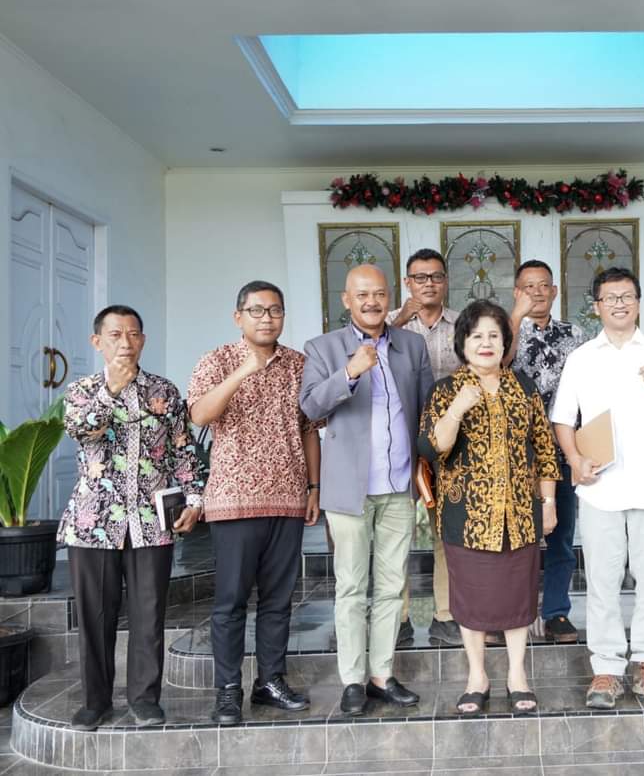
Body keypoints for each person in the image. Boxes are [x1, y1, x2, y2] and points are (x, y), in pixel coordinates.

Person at [551, 267, 644, 709]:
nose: (619, 303)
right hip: (601, 489)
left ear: (638, 302)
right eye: (610, 297)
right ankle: (607, 669)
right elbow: (563, 419)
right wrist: (574, 459)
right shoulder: (582, 358)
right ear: (596, 306)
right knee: (602, 582)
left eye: (627, 296)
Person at [58, 305, 204, 731]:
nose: (126, 342)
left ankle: (144, 700)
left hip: (151, 522)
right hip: (93, 523)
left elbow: (183, 450)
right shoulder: (82, 390)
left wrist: (195, 499)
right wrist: (111, 391)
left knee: (149, 614)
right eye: (116, 334)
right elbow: (81, 429)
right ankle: (95, 702)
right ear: (97, 342)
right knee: (95, 617)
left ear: (143, 340)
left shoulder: (164, 391)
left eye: (134, 334)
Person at [300, 264, 433, 716]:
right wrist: (350, 373)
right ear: (347, 300)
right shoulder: (322, 348)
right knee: (353, 586)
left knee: (393, 586)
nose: (372, 302)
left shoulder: (411, 345)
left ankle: (382, 675)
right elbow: (311, 406)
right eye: (362, 295)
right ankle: (353, 680)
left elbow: (427, 408)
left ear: (389, 296)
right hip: (349, 490)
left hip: (398, 485)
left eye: (379, 293)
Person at [187, 280, 322, 725]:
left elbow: (309, 429)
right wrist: (244, 371)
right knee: (230, 601)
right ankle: (228, 690)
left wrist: (313, 487)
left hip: (287, 499)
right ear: (238, 316)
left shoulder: (299, 364)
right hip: (233, 501)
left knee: (278, 600)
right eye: (257, 310)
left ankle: (270, 681)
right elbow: (200, 414)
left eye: (275, 310)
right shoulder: (217, 360)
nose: (267, 318)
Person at [419, 300, 560, 715]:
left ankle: (517, 675)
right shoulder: (445, 390)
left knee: (518, 597)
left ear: (505, 342)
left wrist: (548, 502)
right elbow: (432, 448)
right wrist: (458, 408)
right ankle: (476, 677)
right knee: (471, 600)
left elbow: (545, 450)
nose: (486, 343)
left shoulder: (524, 388)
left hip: (519, 513)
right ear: (462, 343)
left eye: (494, 336)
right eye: (477, 335)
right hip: (466, 516)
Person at [506, 259, 586, 643]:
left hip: (563, 446)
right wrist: (515, 318)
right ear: (516, 292)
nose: (537, 292)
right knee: (513, 536)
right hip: (515, 450)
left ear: (554, 291)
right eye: (529, 286)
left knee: (561, 534)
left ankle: (556, 612)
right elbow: (497, 363)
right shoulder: (503, 329)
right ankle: (511, 611)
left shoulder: (576, 334)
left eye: (543, 285)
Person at [387, 248, 461, 647]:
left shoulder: (463, 325)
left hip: (449, 445)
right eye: (420, 277)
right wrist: (398, 320)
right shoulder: (388, 324)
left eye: (435, 276)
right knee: (396, 533)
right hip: (398, 443)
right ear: (407, 283)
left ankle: (445, 615)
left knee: (446, 532)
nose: (428, 283)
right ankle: (396, 619)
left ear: (445, 281)